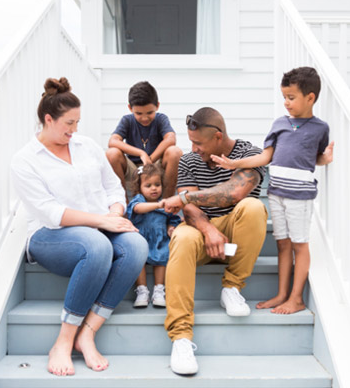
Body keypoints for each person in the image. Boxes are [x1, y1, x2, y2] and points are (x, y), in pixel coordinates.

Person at [10, 77, 148, 376]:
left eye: (77, 123)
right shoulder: (25, 161)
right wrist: (103, 221)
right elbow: (51, 213)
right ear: (48, 119)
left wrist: (115, 210)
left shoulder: (87, 146)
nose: (74, 130)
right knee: (96, 245)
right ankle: (63, 340)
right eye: (68, 123)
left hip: (100, 226)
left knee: (137, 245)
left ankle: (89, 331)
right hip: (51, 236)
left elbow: (113, 187)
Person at [212, 66, 335, 315]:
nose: (286, 103)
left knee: (299, 244)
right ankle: (281, 294)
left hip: (300, 195)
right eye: (284, 97)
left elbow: (315, 158)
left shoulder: (320, 128)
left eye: (291, 97)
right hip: (277, 193)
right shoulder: (279, 124)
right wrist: (235, 164)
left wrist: (326, 158)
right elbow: (265, 156)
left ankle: (296, 298)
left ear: (310, 98)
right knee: (282, 244)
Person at [160, 107, 268, 376]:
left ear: (218, 137)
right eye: (191, 142)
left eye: (198, 143)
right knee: (183, 236)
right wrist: (208, 230)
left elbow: (234, 193)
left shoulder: (249, 154)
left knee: (253, 207)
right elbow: (190, 210)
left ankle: (231, 287)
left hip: (235, 232)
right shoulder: (188, 161)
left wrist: (185, 197)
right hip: (201, 233)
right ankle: (181, 337)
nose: (193, 148)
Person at [106, 81, 183, 198]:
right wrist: (141, 153)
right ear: (130, 108)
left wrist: (150, 160)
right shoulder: (127, 120)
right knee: (112, 153)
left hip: (155, 167)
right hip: (133, 169)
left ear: (157, 105)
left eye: (150, 112)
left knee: (175, 152)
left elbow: (171, 139)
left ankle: (167, 205)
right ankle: (123, 206)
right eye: (138, 113)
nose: (144, 118)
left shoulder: (161, 119)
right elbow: (113, 141)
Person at [125, 164, 182, 308]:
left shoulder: (165, 202)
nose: (154, 188)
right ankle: (142, 290)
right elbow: (137, 209)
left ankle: (159, 289)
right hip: (141, 239)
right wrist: (158, 205)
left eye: (157, 184)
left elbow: (172, 218)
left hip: (159, 240)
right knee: (139, 261)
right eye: (148, 185)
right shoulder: (139, 200)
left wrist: (171, 228)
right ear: (139, 188)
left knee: (162, 258)